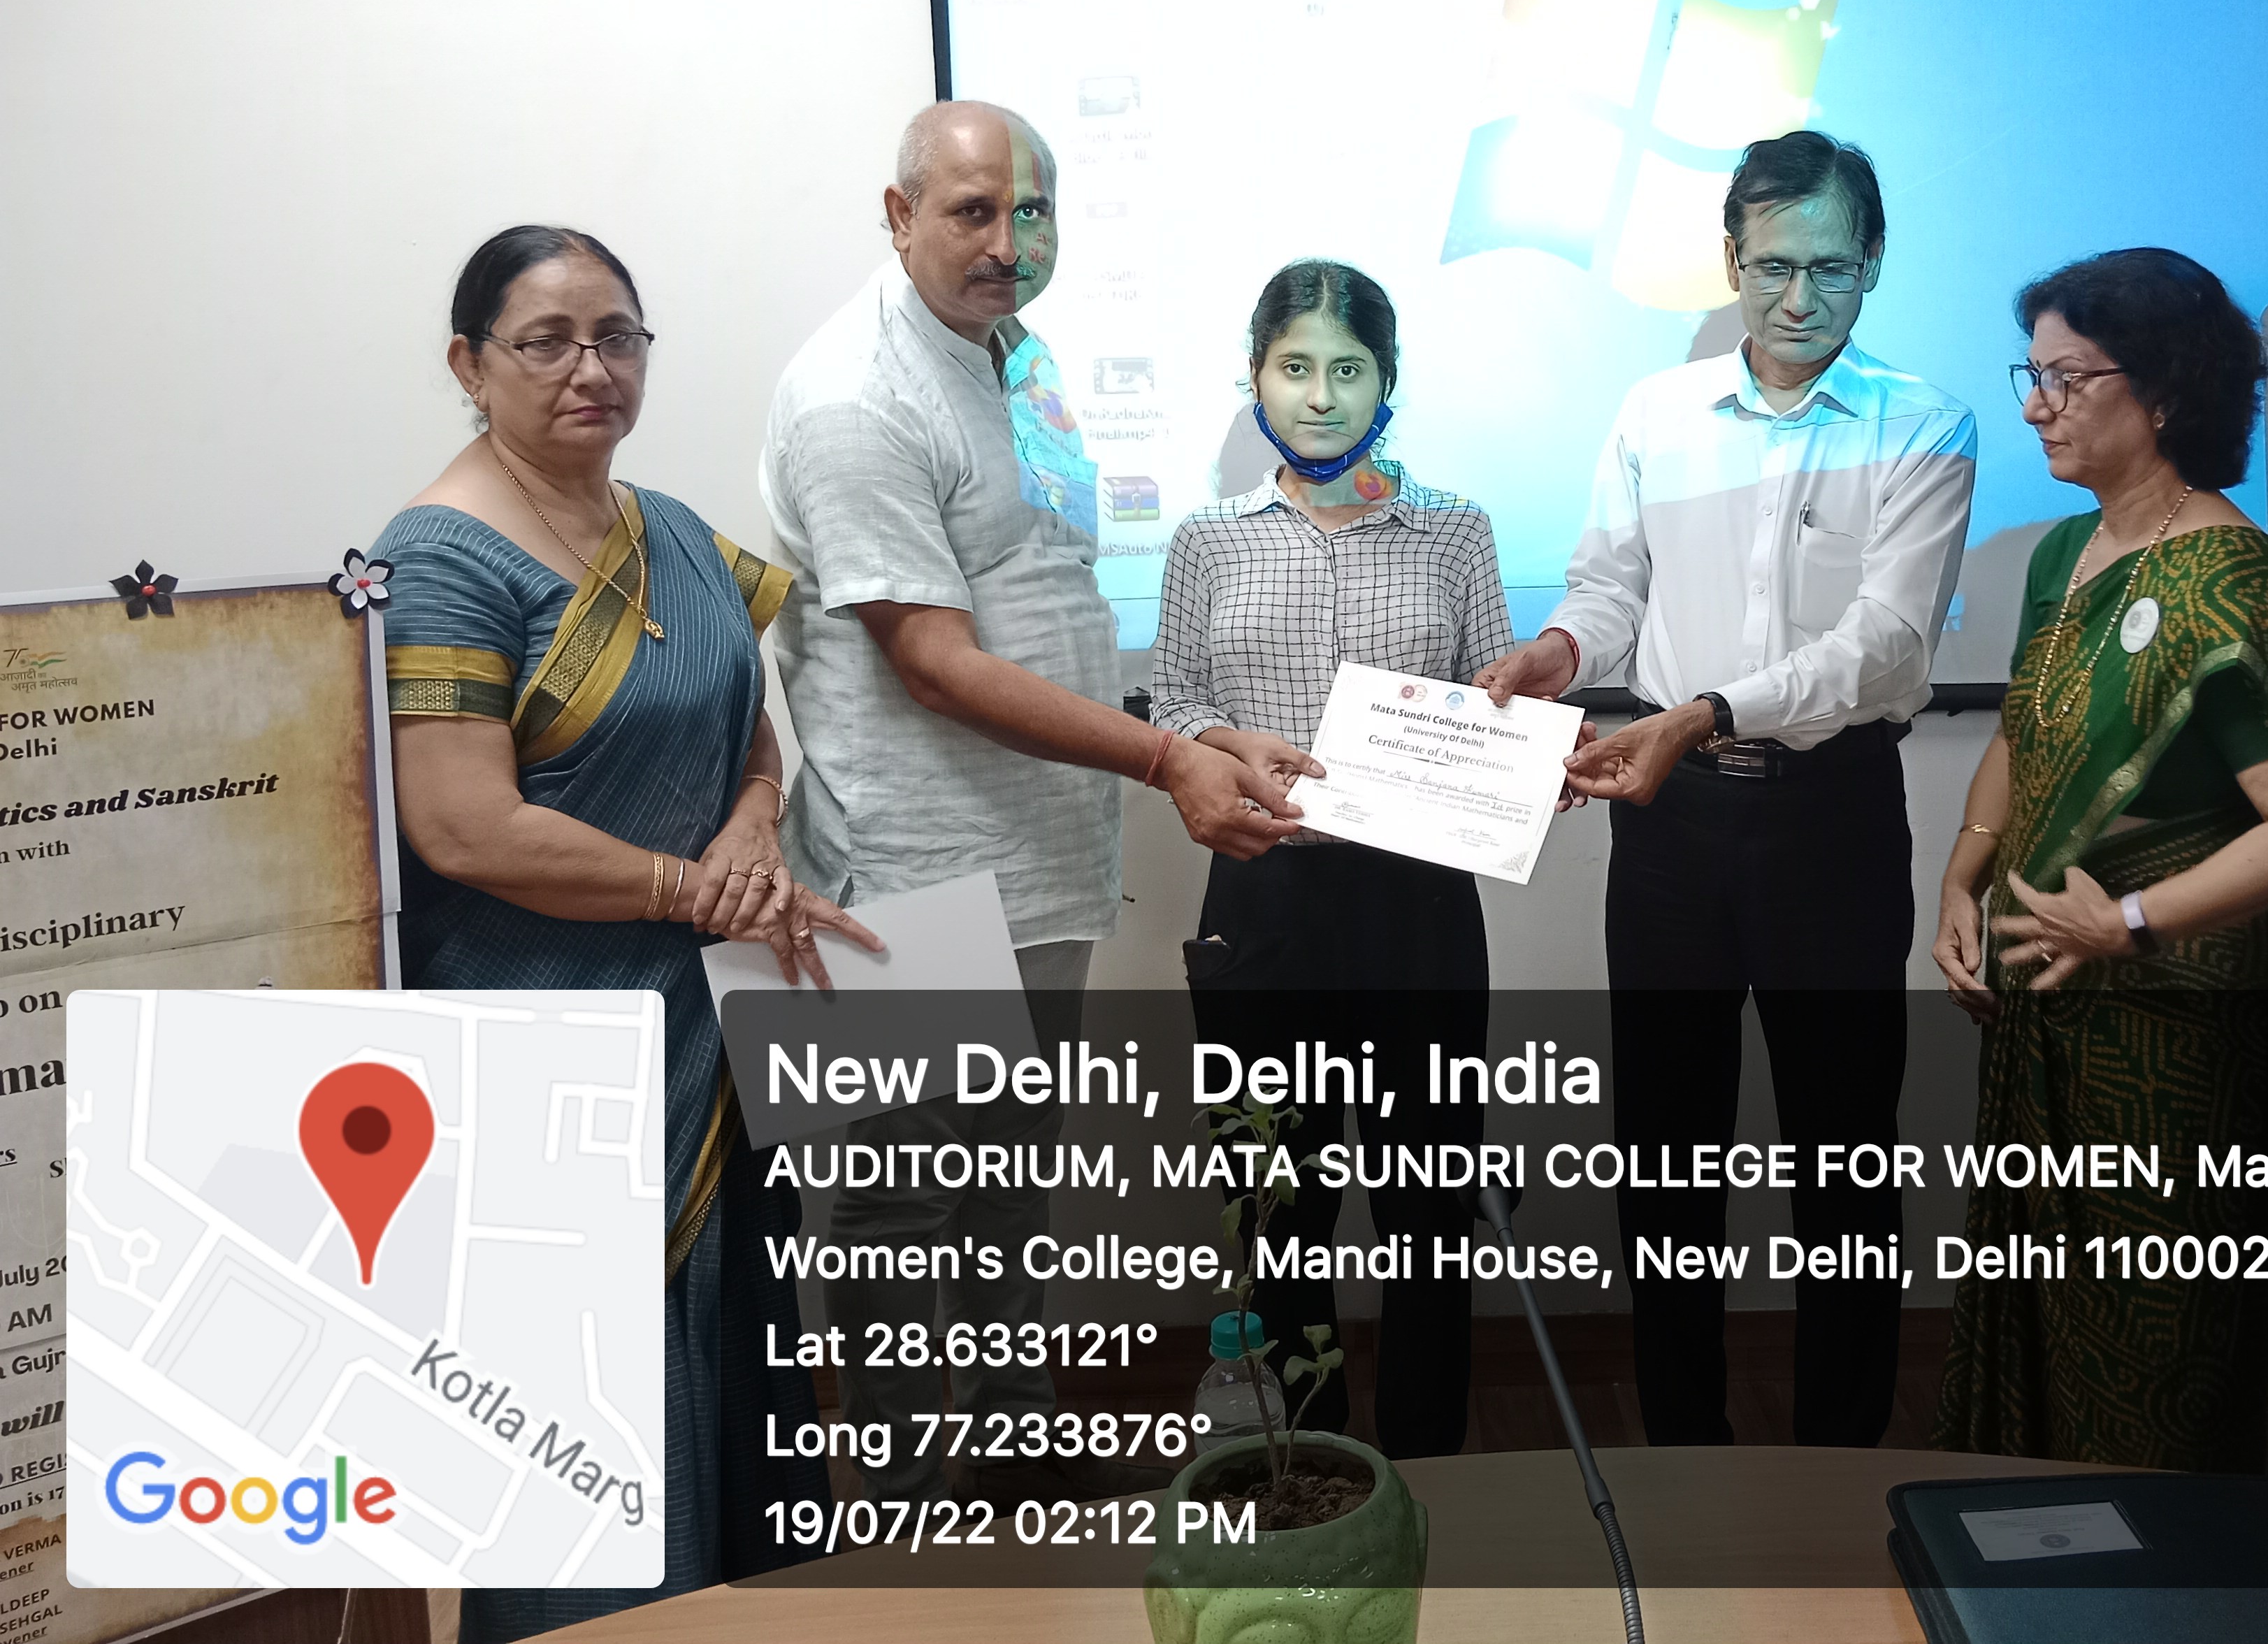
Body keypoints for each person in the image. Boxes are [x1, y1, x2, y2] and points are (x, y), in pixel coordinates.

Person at [760, 100, 1310, 1504]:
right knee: (899, 1224)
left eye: (1035, 211)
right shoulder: (855, 393)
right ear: (898, 218)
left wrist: (1184, 729)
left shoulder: (1018, 354)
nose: (1010, 244)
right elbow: (936, 665)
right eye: (972, 212)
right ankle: (906, 1531)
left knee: (1007, 1206)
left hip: (1039, 867)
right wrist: (1165, 764)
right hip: (907, 882)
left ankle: (1014, 1493)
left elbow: (1044, 597)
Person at [374, 226, 880, 1643]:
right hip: (546, 1054)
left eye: (618, 336)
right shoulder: (437, 560)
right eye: (546, 340)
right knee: (580, 1419)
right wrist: (687, 886)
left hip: (709, 1025)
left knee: (737, 1362)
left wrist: (754, 831)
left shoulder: (672, 529)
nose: (590, 368)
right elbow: (462, 825)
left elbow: (750, 729)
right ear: (471, 363)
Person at [1478, 129, 1977, 1446]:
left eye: (1830, 269)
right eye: (1771, 268)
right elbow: (1609, 590)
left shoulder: (1923, 422)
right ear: (1730, 261)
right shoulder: (1657, 413)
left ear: (1874, 261)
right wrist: (1554, 654)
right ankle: (1680, 1458)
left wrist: (1704, 712)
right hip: (1674, 830)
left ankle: (1840, 1463)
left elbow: (1887, 647)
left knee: (1844, 1153)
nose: (1798, 298)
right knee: (1667, 1152)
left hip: (1832, 818)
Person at [1930, 247, 2268, 1472]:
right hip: (2049, 1010)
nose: (2037, 407)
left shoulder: (2228, 575)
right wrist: (1963, 879)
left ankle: (2169, 1561)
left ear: (2168, 392)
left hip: (2174, 1034)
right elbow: (2024, 735)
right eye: (2031, 377)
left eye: (2068, 379)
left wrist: (2125, 924)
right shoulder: (2060, 555)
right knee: (2041, 1313)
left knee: (2157, 1346)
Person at [1153, 259, 1516, 1458]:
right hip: (1265, 899)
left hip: (1420, 906)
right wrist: (1221, 745)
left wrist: (1519, 759)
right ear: (1254, 378)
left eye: (1348, 369)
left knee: (1430, 1210)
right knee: (1279, 1209)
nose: (1321, 396)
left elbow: (1496, 698)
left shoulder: (1456, 530)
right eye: (1295, 368)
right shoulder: (1207, 540)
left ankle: (1430, 1466)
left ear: (1387, 381)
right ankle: (1308, 1469)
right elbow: (1178, 701)